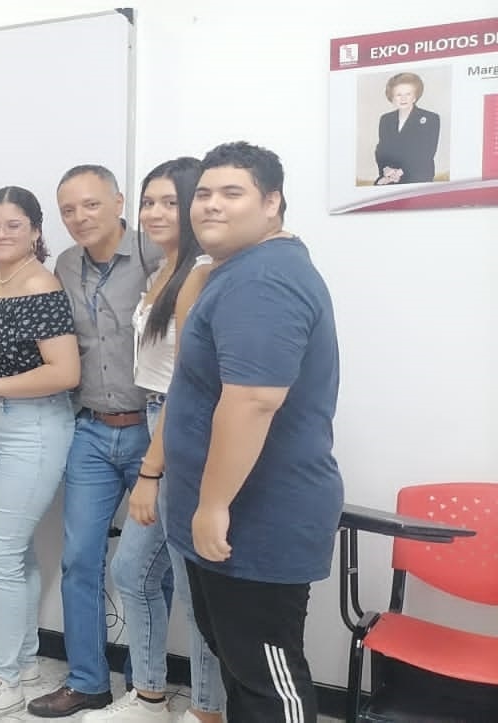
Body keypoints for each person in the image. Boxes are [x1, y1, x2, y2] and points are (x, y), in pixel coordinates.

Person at [168, 141, 340, 722]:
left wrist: (214, 504)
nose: (210, 205)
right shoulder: (237, 269)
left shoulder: (264, 279)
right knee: (242, 663)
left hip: (257, 518)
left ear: (273, 203)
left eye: (231, 193)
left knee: (270, 679)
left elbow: (254, 402)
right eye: (204, 194)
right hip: (235, 517)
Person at [86, 159, 224, 723]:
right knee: (133, 572)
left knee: (195, 593)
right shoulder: (166, 268)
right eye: (149, 202)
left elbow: (185, 385)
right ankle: (148, 696)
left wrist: (152, 471)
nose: (155, 213)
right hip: (157, 417)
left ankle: (209, 710)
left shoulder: (202, 271)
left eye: (170, 201)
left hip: (181, 430)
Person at [30, 164, 164, 719]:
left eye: (90, 204)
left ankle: (144, 683)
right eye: (67, 210)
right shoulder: (64, 264)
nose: (79, 218)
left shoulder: (157, 253)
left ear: (117, 200)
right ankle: (88, 681)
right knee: (80, 561)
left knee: (147, 568)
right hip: (89, 430)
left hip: (151, 434)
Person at [0, 187, 79, 722]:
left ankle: (4, 682)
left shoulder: (42, 285)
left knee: (0, 556)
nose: (0, 234)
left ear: (35, 230)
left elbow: (64, 372)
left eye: (13, 225)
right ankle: (25, 662)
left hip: (35, 428)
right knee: (15, 551)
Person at [373, 72, 440, 185]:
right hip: (390, 174)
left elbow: (427, 153)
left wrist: (400, 172)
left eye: (408, 94)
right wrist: (386, 169)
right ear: (392, 97)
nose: (403, 98)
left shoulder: (431, 118)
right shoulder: (386, 119)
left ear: (414, 96)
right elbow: (381, 150)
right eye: (398, 95)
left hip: (418, 174)